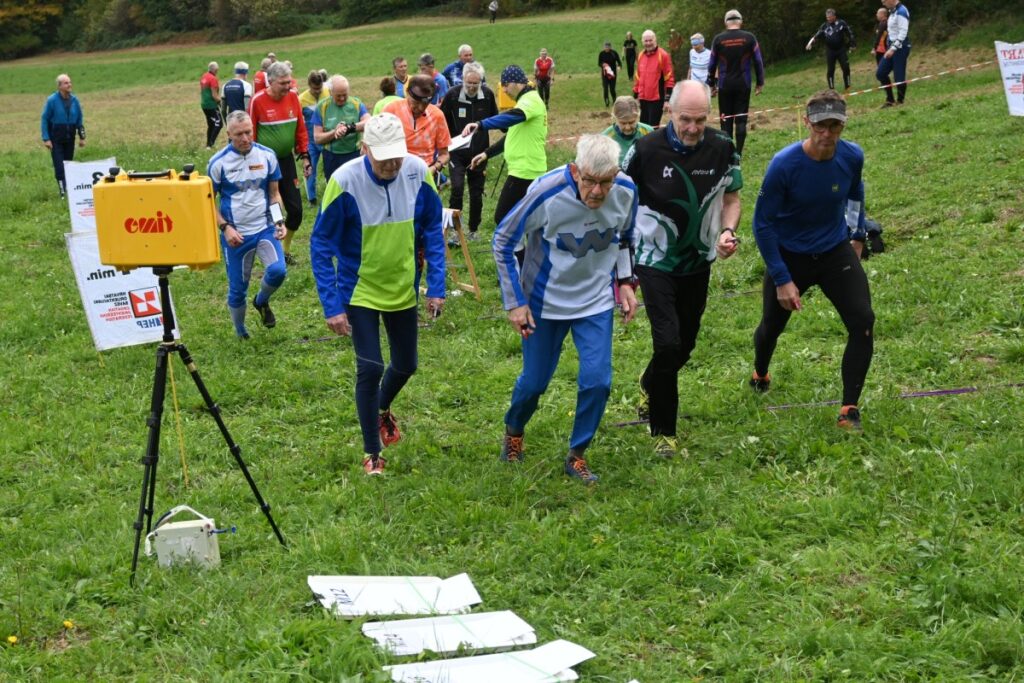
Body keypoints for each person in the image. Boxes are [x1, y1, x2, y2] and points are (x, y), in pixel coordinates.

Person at [492, 134, 639, 484]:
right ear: (575, 171)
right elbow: (503, 240)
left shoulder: (626, 190)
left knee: (598, 381)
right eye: (589, 181)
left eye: (606, 182)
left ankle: (577, 455)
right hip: (544, 302)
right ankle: (514, 431)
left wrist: (625, 281)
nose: (597, 192)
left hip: (595, 300)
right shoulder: (546, 193)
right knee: (534, 383)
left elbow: (626, 237)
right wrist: (515, 302)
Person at [310, 113, 446, 475]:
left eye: (396, 156)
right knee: (370, 367)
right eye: (383, 157)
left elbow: (433, 228)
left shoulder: (418, 172)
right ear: (364, 148)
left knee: (407, 364)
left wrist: (437, 285)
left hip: (402, 287)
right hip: (360, 290)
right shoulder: (344, 181)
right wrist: (331, 305)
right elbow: (321, 244)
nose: (391, 165)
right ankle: (372, 451)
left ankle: (380, 409)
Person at [623, 80, 742, 458]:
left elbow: (732, 198)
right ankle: (664, 432)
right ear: (670, 112)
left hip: (698, 260)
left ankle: (650, 381)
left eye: (700, 120)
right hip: (654, 260)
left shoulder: (722, 147)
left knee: (685, 345)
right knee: (668, 342)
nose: (692, 128)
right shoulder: (646, 149)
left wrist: (727, 231)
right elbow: (620, 198)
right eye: (685, 119)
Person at [751, 90, 873, 431]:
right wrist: (781, 277)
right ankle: (760, 371)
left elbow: (855, 192)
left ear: (844, 125)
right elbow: (762, 223)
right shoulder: (784, 164)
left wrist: (857, 235)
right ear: (806, 122)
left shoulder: (852, 156)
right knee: (771, 328)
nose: (827, 133)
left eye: (835, 126)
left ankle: (849, 409)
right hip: (790, 255)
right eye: (820, 125)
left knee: (863, 320)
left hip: (834, 250)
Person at [207, 111, 288, 339]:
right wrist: (225, 228)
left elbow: (274, 194)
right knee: (237, 290)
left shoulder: (267, 155)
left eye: (248, 132)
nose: (245, 138)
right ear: (228, 134)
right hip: (236, 235)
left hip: (264, 228)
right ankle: (241, 333)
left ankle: (261, 301)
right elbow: (207, 203)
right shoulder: (217, 163)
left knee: (278, 271)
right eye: (239, 134)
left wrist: (278, 220)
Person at [462, 65, 548, 230]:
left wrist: (481, 124)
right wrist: (487, 154)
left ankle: (521, 246)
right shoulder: (525, 101)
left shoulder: (530, 100)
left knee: (503, 217)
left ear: (517, 82)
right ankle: (531, 244)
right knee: (527, 217)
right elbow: (512, 136)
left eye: (506, 85)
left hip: (525, 171)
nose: (505, 90)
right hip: (526, 169)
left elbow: (512, 117)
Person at [248, 61, 312, 264]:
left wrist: (305, 156)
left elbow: (301, 129)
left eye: (289, 82)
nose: (288, 86)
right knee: (274, 210)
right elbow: (250, 134)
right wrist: (251, 163)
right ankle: (276, 253)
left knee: (296, 211)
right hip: (264, 164)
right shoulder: (258, 101)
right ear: (271, 81)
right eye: (283, 83)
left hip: (286, 161)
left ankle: (285, 248)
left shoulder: (293, 97)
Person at [440, 61, 498, 241]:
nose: (472, 86)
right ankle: (454, 231)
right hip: (456, 152)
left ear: (481, 81)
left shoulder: (487, 95)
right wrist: (444, 144)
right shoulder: (452, 95)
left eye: (476, 83)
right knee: (457, 188)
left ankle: (473, 230)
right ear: (463, 79)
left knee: (476, 193)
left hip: (479, 152)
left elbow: (496, 119)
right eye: (469, 82)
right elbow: (441, 120)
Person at [706, 9, 765, 156]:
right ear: (741, 21)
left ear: (725, 22)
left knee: (725, 119)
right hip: (743, 84)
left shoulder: (718, 39)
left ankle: (728, 152)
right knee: (741, 119)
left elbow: (711, 64)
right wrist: (760, 82)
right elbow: (758, 61)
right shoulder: (749, 38)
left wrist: (711, 84)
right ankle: (738, 153)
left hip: (724, 85)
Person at [384, 74, 451, 180]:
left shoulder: (437, 115)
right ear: (407, 93)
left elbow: (444, 154)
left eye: (425, 104)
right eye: (415, 103)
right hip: (396, 175)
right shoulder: (391, 110)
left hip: (425, 174)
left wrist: (434, 168)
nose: (420, 108)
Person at [313, 75, 370, 181]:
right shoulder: (322, 107)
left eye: (345, 95)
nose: (342, 98)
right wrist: (335, 132)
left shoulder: (356, 104)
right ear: (330, 92)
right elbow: (317, 138)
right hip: (332, 157)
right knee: (334, 187)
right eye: (338, 96)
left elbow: (368, 123)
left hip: (354, 154)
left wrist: (349, 128)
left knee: (355, 185)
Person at [40, 73, 85, 198]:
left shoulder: (75, 100)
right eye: (66, 83)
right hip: (56, 139)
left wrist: (82, 137)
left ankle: (69, 189)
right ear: (59, 86)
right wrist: (46, 138)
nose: (69, 85)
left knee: (68, 165)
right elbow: (44, 119)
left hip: (70, 138)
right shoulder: (52, 100)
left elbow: (79, 119)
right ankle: (62, 192)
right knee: (59, 166)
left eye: (70, 82)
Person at [805, 9, 856, 92]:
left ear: (834, 16)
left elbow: (850, 33)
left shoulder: (841, 23)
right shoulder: (825, 25)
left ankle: (847, 86)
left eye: (830, 17)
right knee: (830, 70)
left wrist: (853, 44)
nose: (828, 18)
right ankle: (831, 89)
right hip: (830, 51)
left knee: (846, 67)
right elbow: (817, 35)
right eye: (827, 17)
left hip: (841, 49)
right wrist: (810, 43)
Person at [633, 29, 675, 127]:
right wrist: (635, 96)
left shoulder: (663, 55)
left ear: (655, 40)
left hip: (657, 99)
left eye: (650, 40)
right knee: (643, 127)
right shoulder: (640, 55)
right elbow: (638, 77)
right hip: (643, 98)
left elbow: (669, 78)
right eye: (646, 41)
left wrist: (667, 100)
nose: (648, 43)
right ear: (642, 41)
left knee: (652, 128)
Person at [299, 70, 327, 207]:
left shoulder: (328, 93)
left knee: (330, 169)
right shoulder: (301, 99)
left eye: (319, 88)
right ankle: (312, 199)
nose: (317, 91)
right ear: (309, 84)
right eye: (314, 88)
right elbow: (298, 123)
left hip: (326, 139)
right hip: (310, 142)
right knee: (310, 169)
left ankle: (331, 196)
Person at [877, 0, 911, 107]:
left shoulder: (901, 11)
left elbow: (903, 32)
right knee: (880, 73)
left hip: (900, 48)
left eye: (884, 1)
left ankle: (900, 101)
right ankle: (890, 100)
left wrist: (893, 49)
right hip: (891, 47)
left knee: (899, 77)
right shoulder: (892, 11)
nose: (883, 4)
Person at [601, 96, 653, 165]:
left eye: (631, 122)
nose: (627, 127)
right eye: (623, 123)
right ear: (615, 118)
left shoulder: (648, 132)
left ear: (638, 117)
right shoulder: (605, 138)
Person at [200, 61, 223, 149]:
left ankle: (208, 145)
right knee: (219, 123)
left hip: (204, 104)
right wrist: (221, 102)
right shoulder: (213, 79)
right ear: (216, 69)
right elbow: (214, 95)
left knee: (211, 124)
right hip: (211, 105)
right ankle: (211, 144)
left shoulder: (204, 76)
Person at [598, 42, 621, 107]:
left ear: (610, 47)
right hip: (605, 74)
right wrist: (603, 64)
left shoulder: (614, 53)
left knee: (612, 89)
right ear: (604, 47)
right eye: (606, 47)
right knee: (605, 88)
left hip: (612, 74)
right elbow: (599, 63)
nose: (607, 48)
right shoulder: (601, 54)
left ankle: (614, 100)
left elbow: (619, 62)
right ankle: (607, 101)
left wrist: (619, 66)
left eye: (608, 47)